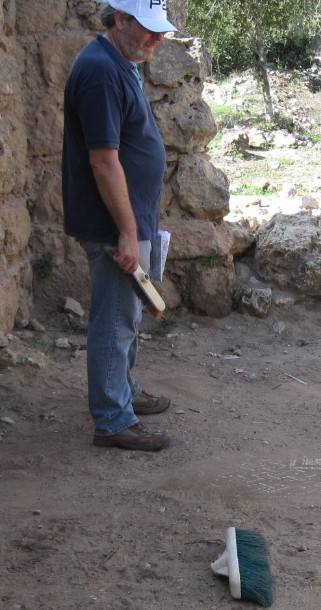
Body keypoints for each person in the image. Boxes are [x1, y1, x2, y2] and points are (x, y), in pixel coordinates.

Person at [62, 0, 178, 451]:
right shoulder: (100, 70)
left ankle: (124, 391)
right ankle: (112, 419)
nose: (158, 38)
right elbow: (103, 161)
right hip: (114, 224)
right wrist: (127, 233)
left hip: (129, 218)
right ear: (120, 18)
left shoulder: (121, 61)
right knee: (114, 319)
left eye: (160, 29)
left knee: (127, 314)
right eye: (148, 29)